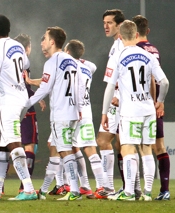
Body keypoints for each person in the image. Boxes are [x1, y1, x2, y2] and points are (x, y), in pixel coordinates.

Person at [101, 20, 169, 201]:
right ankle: (147, 193)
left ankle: (129, 192)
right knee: (147, 149)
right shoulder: (148, 55)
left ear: (121, 37)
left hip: (130, 110)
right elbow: (164, 82)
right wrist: (160, 101)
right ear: (137, 35)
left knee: (128, 148)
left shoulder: (118, 56)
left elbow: (109, 88)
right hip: (148, 109)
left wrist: (104, 113)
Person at [0, 15, 37, 201]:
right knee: (3, 139)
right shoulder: (19, 46)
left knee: (12, 142)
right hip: (22, 99)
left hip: (9, 102)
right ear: (9, 30)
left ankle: (28, 188)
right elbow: (26, 65)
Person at [24, 26, 83, 201]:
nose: (42, 42)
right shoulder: (72, 61)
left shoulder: (52, 62)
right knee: (56, 151)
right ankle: (42, 190)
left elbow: (44, 89)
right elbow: (80, 86)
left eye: (44, 38)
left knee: (65, 152)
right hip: (72, 112)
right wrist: (79, 108)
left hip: (61, 115)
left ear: (52, 42)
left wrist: (25, 105)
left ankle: (75, 191)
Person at [65, 39, 110, 199]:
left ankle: (89, 186)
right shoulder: (87, 68)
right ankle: (93, 186)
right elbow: (93, 65)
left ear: (68, 52)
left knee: (70, 148)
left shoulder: (69, 68)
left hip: (74, 112)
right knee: (83, 148)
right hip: (86, 111)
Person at [132, 15, 170, 201]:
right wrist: (160, 101)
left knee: (138, 146)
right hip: (155, 103)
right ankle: (164, 190)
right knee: (159, 146)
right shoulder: (154, 49)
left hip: (139, 104)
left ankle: (136, 189)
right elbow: (159, 79)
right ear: (147, 31)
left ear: (133, 31)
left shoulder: (134, 50)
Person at [14, 33, 46, 194]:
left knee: (11, 146)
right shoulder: (24, 62)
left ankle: (0, 186)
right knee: (30, 146)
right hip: (26, 108)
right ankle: (24, 187)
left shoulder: (10, 61)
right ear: (27, 48)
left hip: (11, 107)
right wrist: (36, 97)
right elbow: (25, 85)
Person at [99, 9, 125, 194]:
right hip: (118, 99)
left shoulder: (122, 45)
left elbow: (126, 74)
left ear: (119, 25)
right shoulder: (116, 44)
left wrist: (119, 94)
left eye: (109, 23)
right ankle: (127, 187)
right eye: (104, 23)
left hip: (119, 101)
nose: (106, 27)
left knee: (104, 140)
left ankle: (109, 187)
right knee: (119, 144)